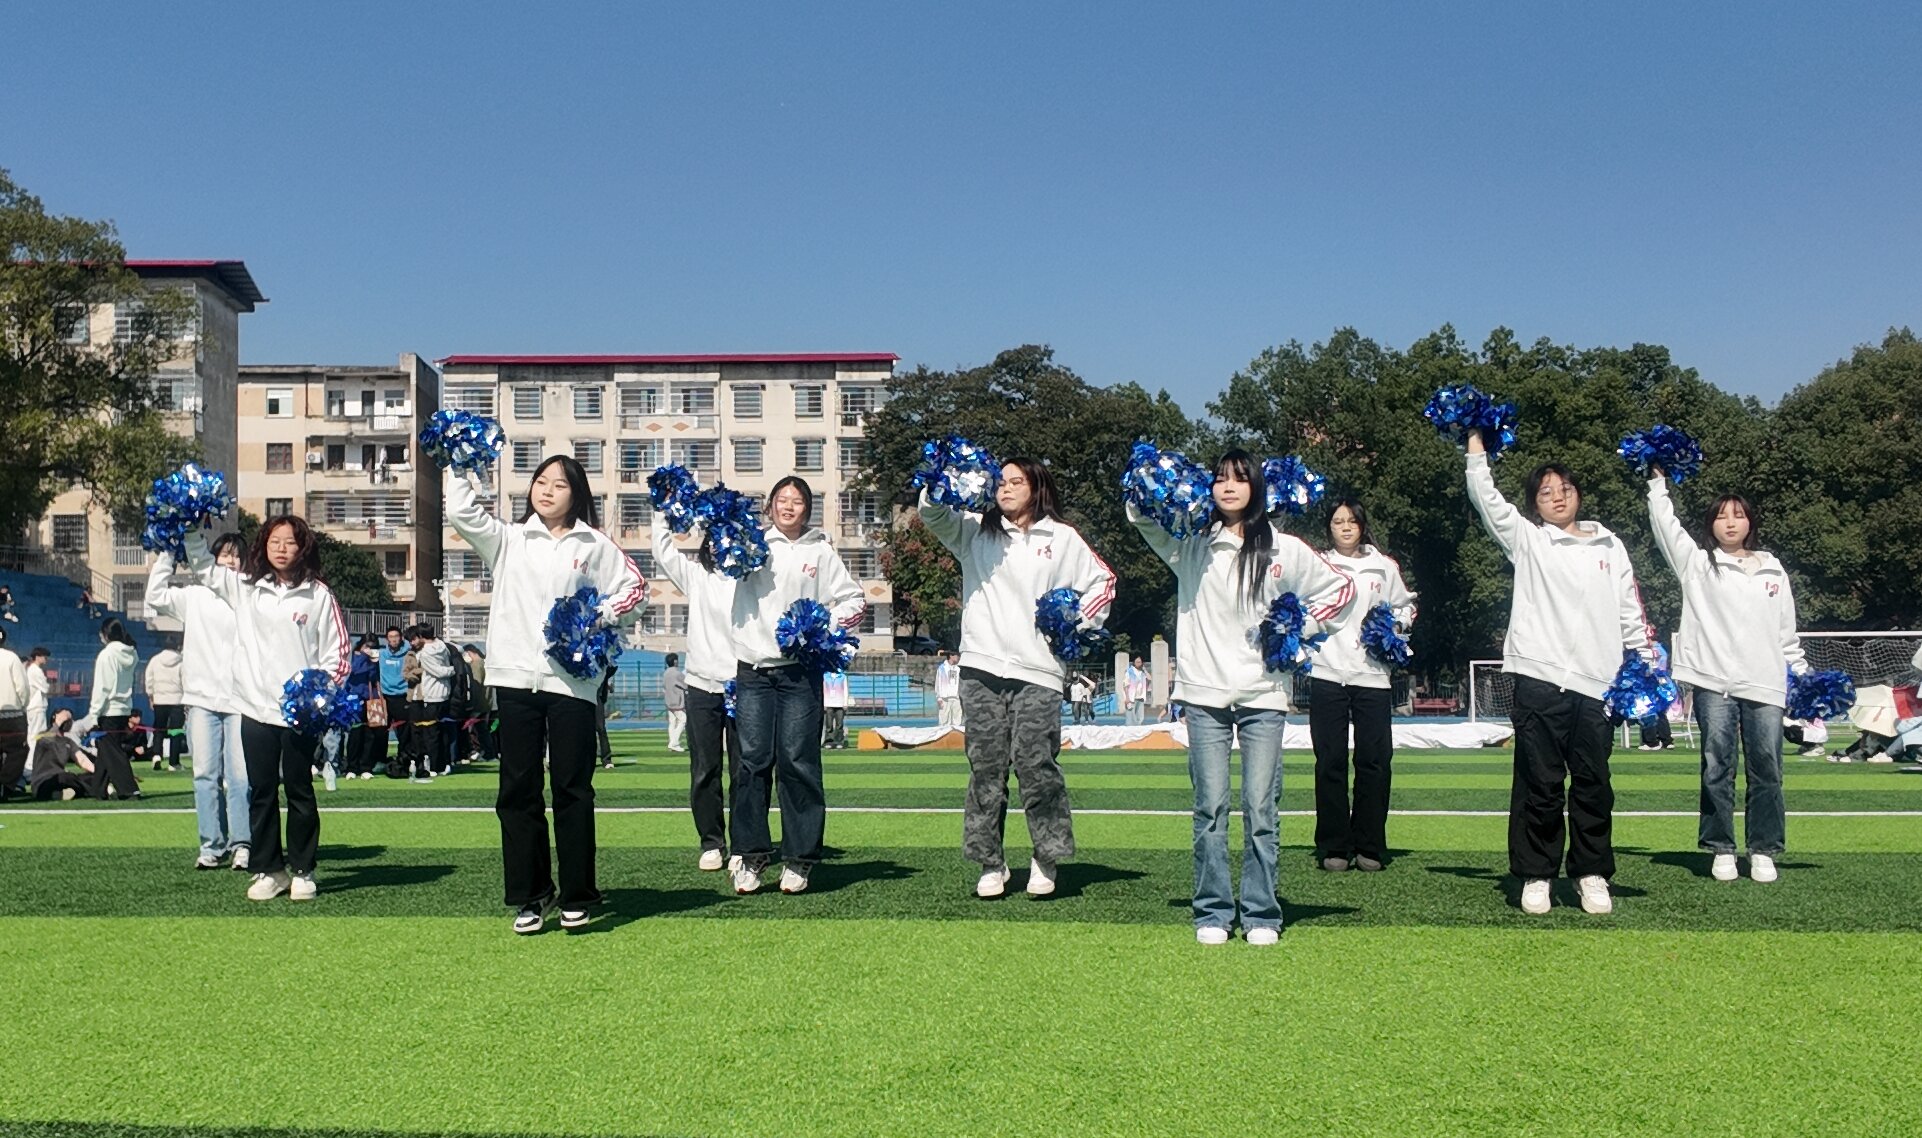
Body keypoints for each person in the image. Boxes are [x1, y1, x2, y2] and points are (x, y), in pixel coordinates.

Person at [1131, 449, 1355, 945]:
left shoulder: (1283, 547)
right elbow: (1143, 518)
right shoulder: (1192, 544)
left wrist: (1298, 630)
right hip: (1204, 695)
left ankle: (1261, 913)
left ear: (1257, 486)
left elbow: (1341, 591)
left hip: (1264, 695)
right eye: (1219, 479)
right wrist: (1145, 480)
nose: (1228, 487)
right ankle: (1212, 911)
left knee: (1261, 809)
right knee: (1210, 808)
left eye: (1239, 478)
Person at [445, 453, 647, 934]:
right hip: (515, 680)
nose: (547, 490)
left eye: (559, 484)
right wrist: (458, 464)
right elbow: (460, 513)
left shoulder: (595, 545)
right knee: (518, 790)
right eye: (540, 481)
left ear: (577, 494)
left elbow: (636, 590)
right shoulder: (509, 539)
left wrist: (600, 616)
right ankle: (531, 895)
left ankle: (578, 894)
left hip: (571, 684)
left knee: (572, 789)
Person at [1466, 428, 1651, 916]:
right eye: (1545, 493)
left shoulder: (1611, 545)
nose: (1557, 498)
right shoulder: (1529, 540)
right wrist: (1475, 445)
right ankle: (1537, 874)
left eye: (1564, 489)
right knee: (1540, 783)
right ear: (1535, 504)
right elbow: (1487, 500)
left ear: (1578, 494)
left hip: (1599, 683)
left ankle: (1591, 874)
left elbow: (1629, 607)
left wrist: (1642, 658)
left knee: (1593, 782)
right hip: (1539, 677)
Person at [921, 456, 1116, 900]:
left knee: (1037, 766)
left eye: (1016, 482)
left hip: (1039, 672)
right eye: (1000, 482)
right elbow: (933, 514)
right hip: (981, 668)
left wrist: (1076, 624)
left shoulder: (1062, 537)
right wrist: (940, 482)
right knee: (985, 770)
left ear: (1036, 488)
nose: (1005, 489)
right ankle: (990, 862)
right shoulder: (974, 531)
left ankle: (1047, 856)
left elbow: (1104, 582)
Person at [1647, 474, 1807, 884]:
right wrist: (1657, 485)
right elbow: (1666, 528)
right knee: (1717, 764)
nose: (1730, 523)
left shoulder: (1773, 569)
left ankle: (1763, 849)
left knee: (1767, 767)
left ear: (1750, 521)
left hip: (1765, 683)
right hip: (1713, 681)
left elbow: (1786, 633)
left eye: (1738, 515)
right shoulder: (1697, 564)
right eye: (1721, 517)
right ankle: (1721, 847)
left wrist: (1803, 677)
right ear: (1711, 525)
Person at [187, 515, 352, 902]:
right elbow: (203, 566)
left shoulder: (318, 595)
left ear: (303, 548)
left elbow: (338, 654)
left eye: (290, 542)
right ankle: (270, 870)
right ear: (263, 545)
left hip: (299, 714)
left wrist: (320, 696)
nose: (281, 549)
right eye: (274, 541)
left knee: (299, 790)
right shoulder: (246, 587)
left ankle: (303, 870)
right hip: (254, 707)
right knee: (260, 791)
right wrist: (190, 526)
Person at [729, 474, 866, 897]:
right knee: (752, 762)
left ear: (808, 508)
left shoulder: (820, 551)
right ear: (770, 505)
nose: (789, 507)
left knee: (798, 761)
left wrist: (823, 627)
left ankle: (799, 858)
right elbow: (718, 562)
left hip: (800, 673)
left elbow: (854, 599)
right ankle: (750, 855)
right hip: (753, 670)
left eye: (798, 501)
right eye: (782, 499)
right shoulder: (751, 543)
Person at [1310, 496, 1417, 873]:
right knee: (1330, 761)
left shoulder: (1383, 566)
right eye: (1337, 521)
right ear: (1329, 527)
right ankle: (1334, 845)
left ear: (1362, 525)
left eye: (1351, 521)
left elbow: (1406, 606)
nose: (1345, 527)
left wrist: (1396, 631)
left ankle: (1369, 844)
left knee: (1374, 761)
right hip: (1327, 672)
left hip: (1372, 676)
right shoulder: (1317, 565)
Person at [652, 499, 748, 871]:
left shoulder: (750, 580)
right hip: (701, 686)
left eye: (730, 537)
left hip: (743, 685)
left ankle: (744, 842)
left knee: (744, 770)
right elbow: (662, 551)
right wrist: (662, 509)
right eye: (715, 538)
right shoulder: (696, 576)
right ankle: (712, 842)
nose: (721, 544)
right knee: (705, 768)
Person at [148, 539, 252, 869]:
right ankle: (212, 845)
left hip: (239, 700)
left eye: (237, 556)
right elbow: (154, 596)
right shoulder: (193, 596)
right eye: (225, 555)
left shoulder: (248, 595)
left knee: (240, 777)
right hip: (200, 700)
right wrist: (167, 552)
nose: (231, 561)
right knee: (205, 775)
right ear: (212, 559)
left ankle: (242, 843)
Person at [74, 617, 141, 801]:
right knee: (105, 750)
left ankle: (129, 789)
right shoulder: (132, 653)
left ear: (106, 634)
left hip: (108, 710)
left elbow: (102, 687)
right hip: (124, 708)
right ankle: (98, 788)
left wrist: (93, 714)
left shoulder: (106, 655)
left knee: (112, 751)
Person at [408, 623, 455, 779]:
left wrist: (451, 670)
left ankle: (434, 766)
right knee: (443, 731)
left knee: (431, 733)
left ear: (421, 637)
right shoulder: (442, 646)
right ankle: (446, 763)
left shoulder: (425, 653)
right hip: (445, 693)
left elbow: (438, 672)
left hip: (432, 695)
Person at [29, 710, 96, 801]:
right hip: (44, 780)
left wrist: (98, 774)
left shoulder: (68, 742)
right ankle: (88, 790)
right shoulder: (42, 736)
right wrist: (57, 724)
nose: (68, 722)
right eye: (65, 719)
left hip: (63, 777)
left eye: (70, 720)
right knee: (65, 777)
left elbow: (82, 760)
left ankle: (62, 793)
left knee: (85, 777)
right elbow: (48, 739)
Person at [342, 634, 383, 779]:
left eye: (372, 647)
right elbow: (354, 671)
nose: (370, 649)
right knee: (355, 734)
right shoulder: (353, 656)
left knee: (369, 734)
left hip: (369, 698)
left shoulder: (374, 659)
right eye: (367, 646)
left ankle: (366, 766)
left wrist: (373, 662)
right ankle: (352, 767)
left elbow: (373, 676)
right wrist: (364, 657)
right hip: (354, 698)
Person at [144, 634, 185, 771]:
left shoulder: (155, 660)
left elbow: (149, 679)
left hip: (159, 700)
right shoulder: (181, 661)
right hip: (177, 700)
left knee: (159, 729)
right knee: (176, 731)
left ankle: (156, 754)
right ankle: (174, 762)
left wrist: (151, 696)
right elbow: (185, 680)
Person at [0, 627, 29, 801]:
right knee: (18, 750)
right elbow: (22, 687)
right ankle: (5, 784)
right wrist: (23, 706)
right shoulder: (11, 658)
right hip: (11, 714)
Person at [378, 625, 411, 773]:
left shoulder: (408, 653)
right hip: (385, 697)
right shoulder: (382, 654)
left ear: (401, 638)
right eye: (391, 637)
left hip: (402, 696)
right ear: (387, 639)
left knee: (403, 731)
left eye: (396, 636)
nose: (394, 640)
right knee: (381, 730)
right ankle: (380, 759)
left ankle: (403, 759)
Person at [1637, 638, 1677, 751]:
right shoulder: (1662, 650)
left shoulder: (1649, 650)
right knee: (1660, 713)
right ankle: (1666, 740)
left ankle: (1651, 742)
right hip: (1663, 684)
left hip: (1651, 683)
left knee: (1648, 711)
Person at [461, 644, 496, 764]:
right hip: (487, 701)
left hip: (479, 703)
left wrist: (471, 703)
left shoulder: (476, 664)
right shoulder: (484, 663)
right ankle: (488, 752)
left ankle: (486, 752)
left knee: (478, 730)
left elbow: (476, 683)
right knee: (483, 729)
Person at [24, 646, 51, 759]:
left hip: (35, 707)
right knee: (36, 735)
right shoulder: (35, 670)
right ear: (37, 657)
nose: (46, 659)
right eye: (44, 657)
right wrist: (48, 685)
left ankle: (32, 761)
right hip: (36, 707)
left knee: (34, 734)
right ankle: (32, 762)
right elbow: (46, 688)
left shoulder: (33, 669)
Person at [660, 652, 687, 753]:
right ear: (675, 661)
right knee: (683, 720)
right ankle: (674, 743)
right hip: (677, 701)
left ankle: (673, 742)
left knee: (673, 722)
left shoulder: (666, 673)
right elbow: (686, 685)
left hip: (668, 701)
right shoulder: (677, 673)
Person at [596, 663, 618, 770]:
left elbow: (611, 668)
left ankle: (606, 759)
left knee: (601, 728)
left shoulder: (600, 660)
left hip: (597, 696)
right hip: (582, 695)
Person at [822, 668, 849, 749]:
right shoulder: (825, 676)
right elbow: (823, 690)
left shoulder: (842, 676)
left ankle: (839, 741)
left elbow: (845, 690)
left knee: (839, 724)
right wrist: (823, 703)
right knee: (829, 724)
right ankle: (828, 741)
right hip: (828, 703)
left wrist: (845, 703)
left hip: (840, 703)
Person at [934, 651, 962, 726]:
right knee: (944, 720)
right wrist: (939, 698)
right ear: (951, 656)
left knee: (957, 719)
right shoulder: (942, 668)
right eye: (956, 655)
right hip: (945, 698)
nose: (958, 657)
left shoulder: (958, 668)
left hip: (956, 697)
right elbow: (938, 683)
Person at [1123, 656, 1149, 725]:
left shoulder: (1142, 672)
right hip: (1131, 698)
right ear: (1134, 663)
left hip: (1140, 697)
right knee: (1131, 718)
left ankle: (1138, 729)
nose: (1138, 663)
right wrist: (1127, 698)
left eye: (1140, 662)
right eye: (1137, 662)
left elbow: (1150, 679)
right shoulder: (1129, 671)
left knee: (1140, 717)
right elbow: (1125, 685)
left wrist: (1145, 670)